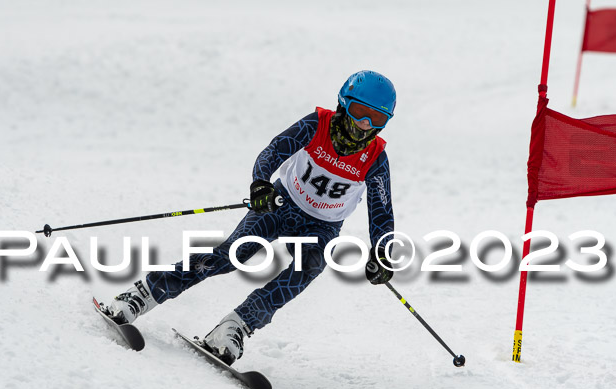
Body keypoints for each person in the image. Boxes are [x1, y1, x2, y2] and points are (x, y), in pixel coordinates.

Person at [105, 70, 397, 365]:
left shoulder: (375, 158)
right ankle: (142, 294)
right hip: (280, 204)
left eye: (377, 119)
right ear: (343, 103)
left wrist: (383, 253)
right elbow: (274, 151)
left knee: (307, 269)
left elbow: (381, 212)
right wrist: (261, 184)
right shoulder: (317, 124)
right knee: (232, 255)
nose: (365, 125)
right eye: (360, 112)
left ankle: (235, 327)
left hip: (322, 226)